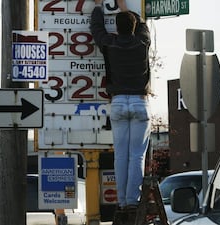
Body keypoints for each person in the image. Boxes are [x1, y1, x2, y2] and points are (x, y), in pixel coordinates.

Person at [90, 0, 151, 224]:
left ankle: (123, 201)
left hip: (117, 102)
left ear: (116, 27)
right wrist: (125, 7)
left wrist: (98, 6)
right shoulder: (142, 42)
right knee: (137, 156)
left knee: (120, 156)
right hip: (139, 102)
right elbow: (142, 25)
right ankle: (131, 203)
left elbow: (97, 30)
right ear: (133, 27)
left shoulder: (110, 43)